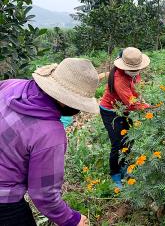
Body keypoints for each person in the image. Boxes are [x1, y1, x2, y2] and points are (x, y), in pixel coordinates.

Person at [0, 58, 99, 226]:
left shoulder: (11, 85)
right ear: (65, 100)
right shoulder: (50, 134)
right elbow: (44, 195)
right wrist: (73, 220)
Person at [100, 47, 150, 188]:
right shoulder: (119, 79)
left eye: (137, 69)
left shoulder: (134, 72)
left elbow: (136, 90)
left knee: (129, 139)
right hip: (111, 111)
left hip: (124, 109)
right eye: (132, 70)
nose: (136, 72)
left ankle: (125, 167)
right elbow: (131, 103)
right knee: (117, 144)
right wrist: (149, 107)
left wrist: (143, 99)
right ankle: (115, 175)